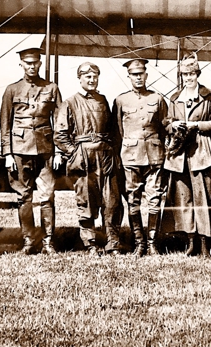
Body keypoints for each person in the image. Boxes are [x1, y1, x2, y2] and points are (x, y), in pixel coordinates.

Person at [54, 62, 123, 256]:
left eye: (95, 77)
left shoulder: (102, 101)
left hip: (105, 156)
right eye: (87, 77)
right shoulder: (69, 102)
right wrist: (74, 153)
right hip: (83, 158)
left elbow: (111, 130)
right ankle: (90, 243)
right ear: (80, 79)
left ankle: (112, 243)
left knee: (112, 201)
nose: (92, 80)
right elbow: (60, 135)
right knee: (86, 201)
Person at [0, 48, 63, 255]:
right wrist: (7, 154)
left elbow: (59, 122)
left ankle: (48, 242)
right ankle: (29, 241)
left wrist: (59, 151)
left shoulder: (51, 88)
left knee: (47, 196)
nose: (31, 66)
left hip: (45, 150)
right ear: (21, 65)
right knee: (24, 196)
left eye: (35, 62)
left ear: (39, 63)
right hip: (19, 150)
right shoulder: (12, 90)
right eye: (27, 63)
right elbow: (5, 124)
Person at [163, 53, 211, 258]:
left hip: (202, 152)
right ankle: (190, 242)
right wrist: (173, 125)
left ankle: (205, 244)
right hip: (180, 155)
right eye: (185, 74)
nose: (189, 77)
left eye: (192, 73)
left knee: (203, 198)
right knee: (184, 198)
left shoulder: (208, 95)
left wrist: (197, 125)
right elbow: (166, 122)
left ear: (197, 73)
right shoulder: (174, 98)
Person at [112, 58, 168, 256]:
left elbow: (164, 127)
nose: (138, 78)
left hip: (154, 156)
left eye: (141, 74)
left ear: (146, 75)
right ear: (129, 77)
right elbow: (117, 131)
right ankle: (139, 242)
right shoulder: (120, 101)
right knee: (133, 200)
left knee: (154, 199)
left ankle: (153, 243)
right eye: (134, 75)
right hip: (130, 157)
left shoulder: (158, 99)